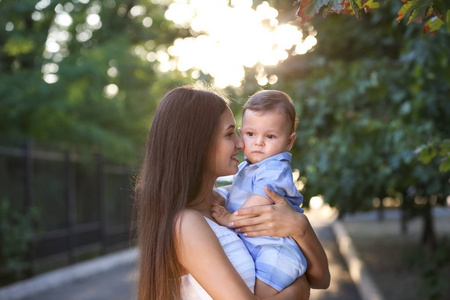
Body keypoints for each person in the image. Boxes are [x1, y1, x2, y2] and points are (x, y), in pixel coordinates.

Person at [135, 85, 330, 300]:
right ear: (199, 144)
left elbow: (322, 279)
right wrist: (299, 290)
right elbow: (309, 283)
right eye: (231, 134)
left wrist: (301, 228)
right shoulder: (186, 224)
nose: (241, 143)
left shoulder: (230, 199)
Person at [211, 90, 307, 296]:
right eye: (251, 134)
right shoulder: (251, 167)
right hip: (263, 249)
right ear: (241, 132)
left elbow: (258, 202)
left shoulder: (275, 167)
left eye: (270, 136)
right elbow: (237, 194)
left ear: (289, 141)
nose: (258, 142)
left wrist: (229, 218)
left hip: (276, 254)